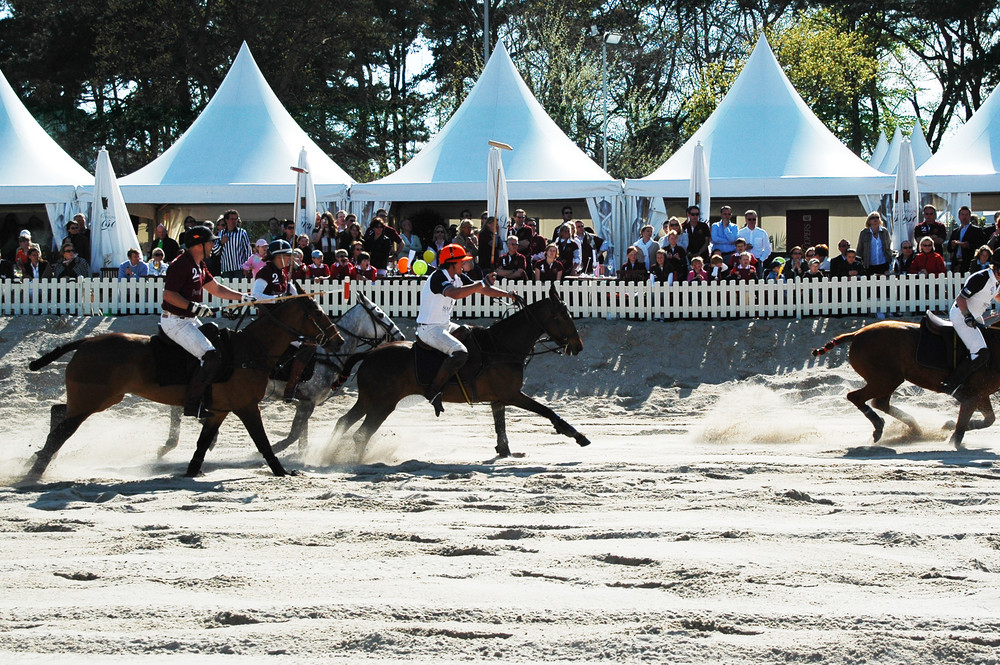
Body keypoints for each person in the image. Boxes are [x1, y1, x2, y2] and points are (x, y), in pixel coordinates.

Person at [416, 243, 519, 416]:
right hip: (429, 329)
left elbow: (484, 289)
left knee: (470, 334)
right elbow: (455, 293)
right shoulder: (437, 277)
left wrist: (508, 295)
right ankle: (433, 391)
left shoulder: (457, 277)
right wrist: (480, 283)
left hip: (442, 325)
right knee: (461, 353)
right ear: (451, 263)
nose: (464, 265)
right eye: (461, 262)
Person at [161, 225, 251, 418]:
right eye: (210, 242)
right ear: (198, 244)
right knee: (210, 356)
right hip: (175, 321)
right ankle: (192, 406)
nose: (213, 245)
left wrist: (242, 297)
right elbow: (168, 295)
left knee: (217, 347)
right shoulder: (181, 264)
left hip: (189, 320)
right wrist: (192, 306)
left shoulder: (200, 265)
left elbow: (216, 288)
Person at [253, 239, 312, 401]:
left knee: (310, 341)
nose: (289, 259)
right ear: (277, 256)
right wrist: (278, 298)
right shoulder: (265, 272)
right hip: (269, 325)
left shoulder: (284, 274)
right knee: (305, 345)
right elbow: (256, 296)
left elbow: (294, 295)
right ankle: (290, 388)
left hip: (283, 323)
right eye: (286, 256)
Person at [942, 254, 1000, 394]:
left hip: (976, 316)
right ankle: (952, 384)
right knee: (981, 352)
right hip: (961, 315)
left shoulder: (997, 281)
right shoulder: (981, 278)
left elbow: (997, 296)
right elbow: (960, 299)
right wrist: (968, 317)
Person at [213, 209, 252, 279]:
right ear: (226, 220)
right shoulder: (221, 234)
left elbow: (248, 251)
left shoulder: (242, 232)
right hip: (226, 269)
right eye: (232, 219)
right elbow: (215, 251)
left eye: (236, 219)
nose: (234, 221)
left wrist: (247, 267)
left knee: (240, 288)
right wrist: (221, 243)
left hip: (240, 268)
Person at [949, 206, 986, 273]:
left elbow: (982, 245)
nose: (964, 217)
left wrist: (968, 245)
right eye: (962, 214)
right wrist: (953, 245)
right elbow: (949, 249)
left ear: (969, 216)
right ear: (959, 216)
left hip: (970, 262)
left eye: (966, 215)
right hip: (956, 263)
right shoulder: (955, 231)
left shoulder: (976, 230)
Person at [857, 211, 892, 276]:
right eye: (873, 218)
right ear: (869, 221)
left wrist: (890, 259)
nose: (875, 219)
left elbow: (889, 245)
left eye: (877, 217)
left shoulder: (884, 232)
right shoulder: (864, 233)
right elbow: (860, 248)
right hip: (869, 264)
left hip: (883, 263)